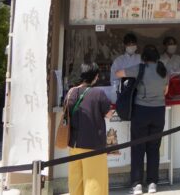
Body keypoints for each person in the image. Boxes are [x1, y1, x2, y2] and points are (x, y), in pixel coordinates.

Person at [125, 44, 169, 195]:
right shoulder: (163, 70)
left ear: (144, 57)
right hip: (158, 112)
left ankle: (137, 184)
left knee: (138, 147)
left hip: (141, 111)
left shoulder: (140, 68)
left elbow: (119, 73)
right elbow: (165, 91)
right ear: (157, 57)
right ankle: (152, 183)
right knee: (153, 148)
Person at [65, 63, 114, 195]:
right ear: (96, 77)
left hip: (74, 144)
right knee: (94, 182)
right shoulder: (98, 93)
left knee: (76, 181)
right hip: (93, 145)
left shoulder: (71, 92)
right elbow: (109, 114)